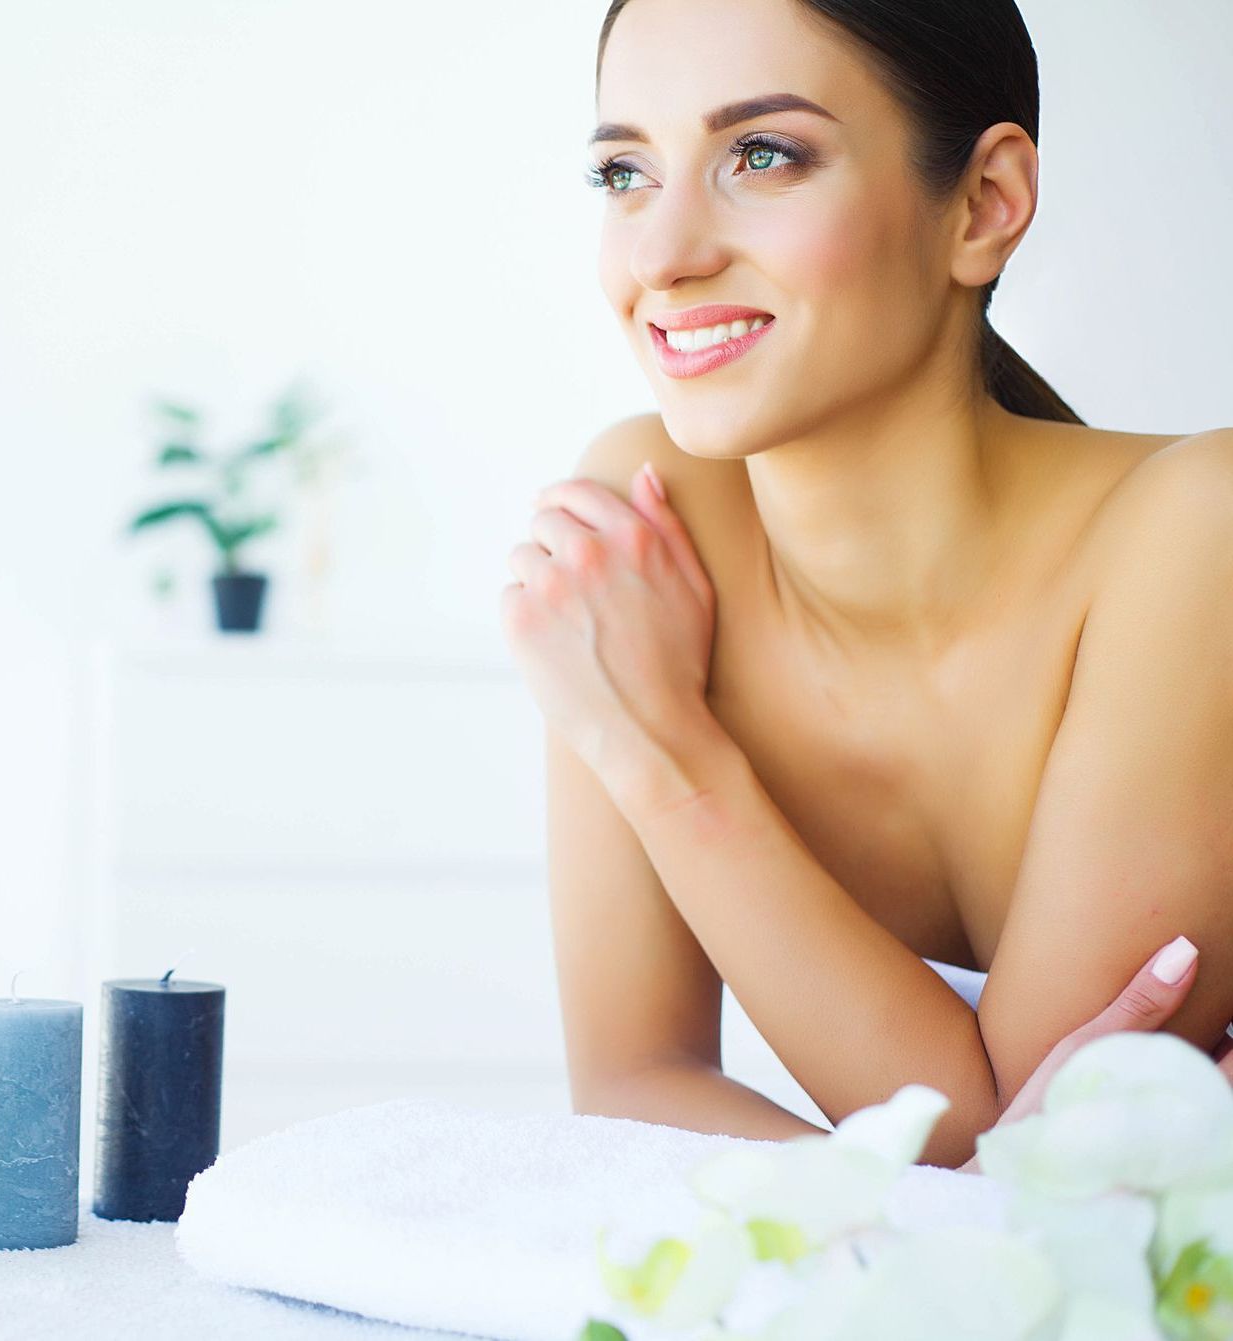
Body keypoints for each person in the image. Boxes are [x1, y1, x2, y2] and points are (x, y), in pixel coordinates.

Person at [500, 0, 1233, 1170]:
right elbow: (637, 1082)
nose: (662, 255)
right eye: (624, 172)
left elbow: (1017, 1154)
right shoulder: (647, 510)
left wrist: (670, 762)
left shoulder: (1201, 530)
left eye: (762, 154)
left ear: (985, 205)